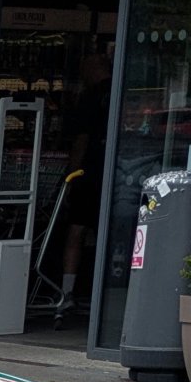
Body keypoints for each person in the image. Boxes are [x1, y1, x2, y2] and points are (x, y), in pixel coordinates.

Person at [60, 53, 112, 313]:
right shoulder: (120, 90)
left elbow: (81, 139)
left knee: (76, 231)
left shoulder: (91, 97)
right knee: (107, 231)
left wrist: (72, 174)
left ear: (93, 66)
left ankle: (67, 291)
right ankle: (101, 288)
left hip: (88, 174)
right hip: (113, 173)